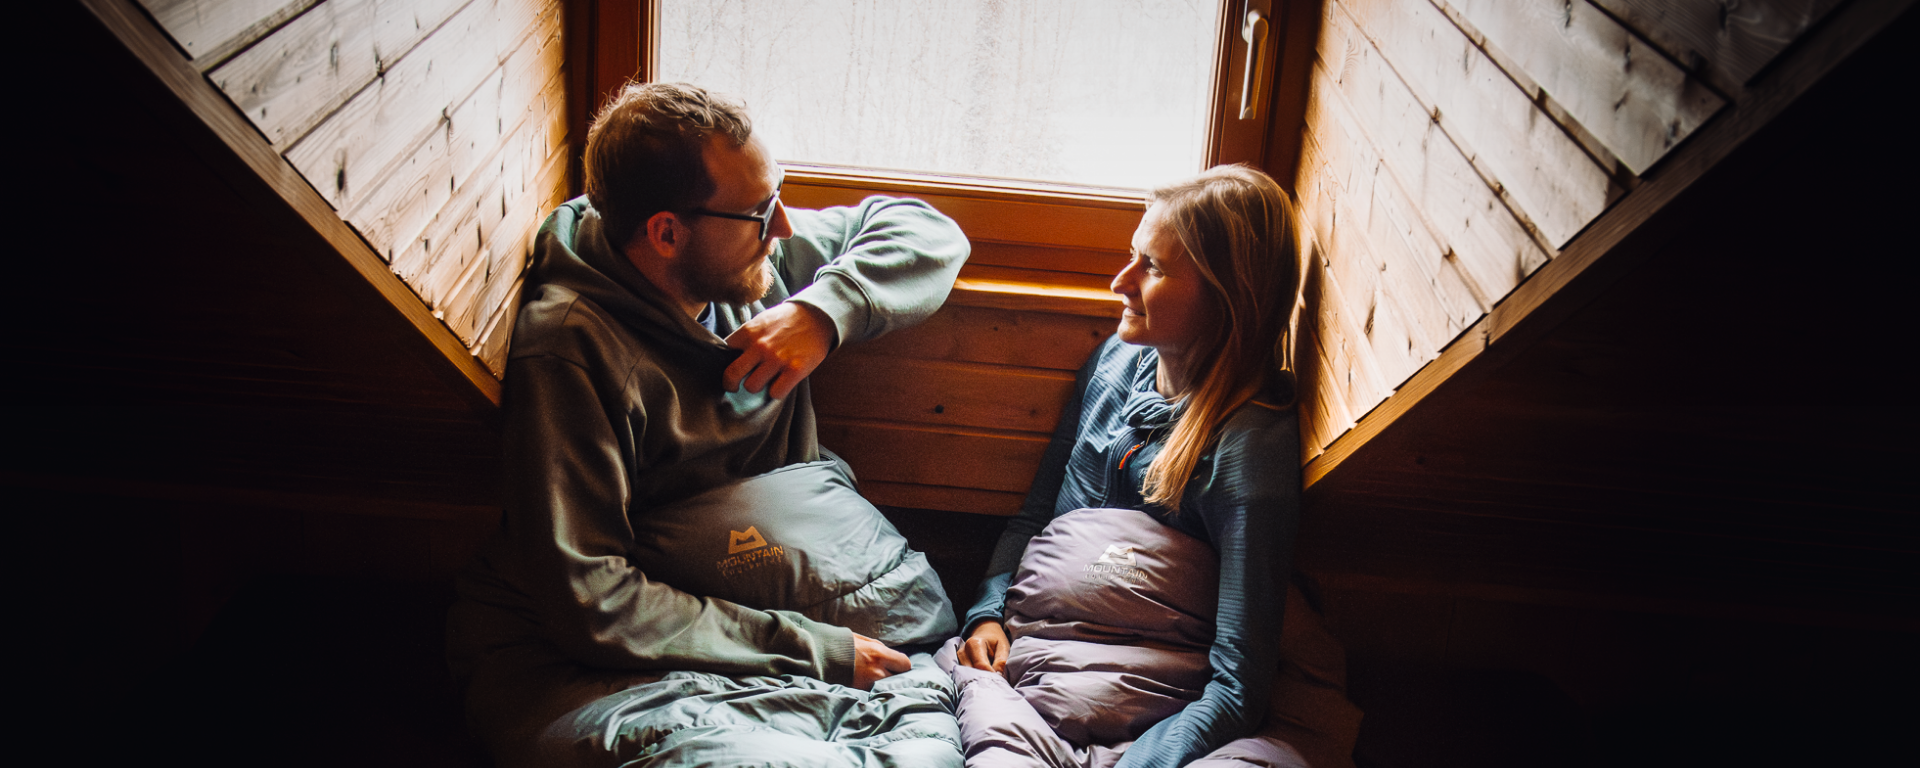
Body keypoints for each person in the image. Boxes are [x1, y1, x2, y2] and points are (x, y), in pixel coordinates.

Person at [446, 82, 970, 766]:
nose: (783, 227)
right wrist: (812, 649)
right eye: (762, 211)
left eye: (778, 195)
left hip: (776, 600)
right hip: (641, 651)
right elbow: (592, 598)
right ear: (666, 232)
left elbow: (930, 231)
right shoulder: (571, 350)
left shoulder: (748, 259)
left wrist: (825, 312)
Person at [945, 165, 1361, 768]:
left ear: (1227, 296)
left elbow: (1239, 684)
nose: (1120, 282)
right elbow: (1035, 517)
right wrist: (987, 613)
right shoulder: (1114, 363)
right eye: (1131, 256)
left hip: (1165, 704)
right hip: (1048, 663)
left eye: (1154, 268)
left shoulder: (1248, 450)